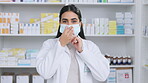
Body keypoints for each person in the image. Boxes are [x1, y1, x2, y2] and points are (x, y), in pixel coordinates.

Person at [36, 4, 110, 83]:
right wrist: (60, 44)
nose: (69, 25)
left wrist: (82, 51)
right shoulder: (49, 44)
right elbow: (45, 74)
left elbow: (103, 76)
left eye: (73, 21)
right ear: (60, 23)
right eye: (65, 21)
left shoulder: (90, 46)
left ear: (80, 23)